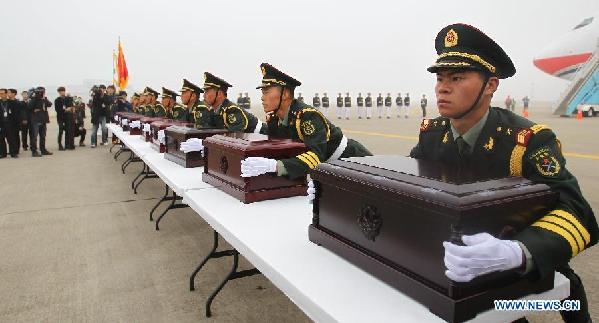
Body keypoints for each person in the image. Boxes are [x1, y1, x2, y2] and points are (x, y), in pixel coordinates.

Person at [410, 23, 597, 323]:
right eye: (441, 78)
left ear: (491, 85)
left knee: (553, 295)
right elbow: (410, 185)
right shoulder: (431, 134)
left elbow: (577, 212)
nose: (442, 87)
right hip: (461, 264)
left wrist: (519, 252)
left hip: (521, 263)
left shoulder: (527, 140)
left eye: (457, 78)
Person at [240, 63, 372, 179]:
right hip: (332, 168)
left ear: (285, 94)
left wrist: (276, 166)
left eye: (266, 92)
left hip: (353, 160)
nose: (262, 98)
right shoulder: (274, 119)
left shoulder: (307, 116)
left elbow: (316, 156)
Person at [27, 87, 53, 157]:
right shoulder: (34, 99)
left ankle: (43, 150)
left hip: (43, 120)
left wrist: (44, 98)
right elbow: (29, 107)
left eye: (43, 92)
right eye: (41, 92)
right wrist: (35, 98)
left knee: (43, 136)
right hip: (35, 120)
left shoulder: (44, 99)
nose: (42, 93)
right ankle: (34, 151)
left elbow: (50, 104)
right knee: (34, 136)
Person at [0, 89, 20, 158]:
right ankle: (3, 154)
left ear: (6, 94)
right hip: (1, 124)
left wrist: (16, 124)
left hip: (10, 124)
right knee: (1, 139)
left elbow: (16, 114)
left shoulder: (12, 102)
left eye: (2, 93)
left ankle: (13, 153)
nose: (1, 95)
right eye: (0, 94)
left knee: (11, 139)